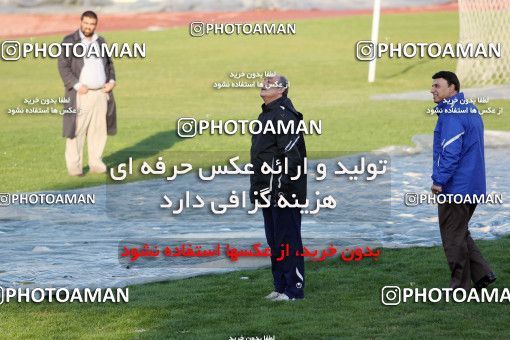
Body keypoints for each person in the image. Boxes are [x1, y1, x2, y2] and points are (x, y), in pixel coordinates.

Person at [430, 71, 496, 290]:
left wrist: (439, 181)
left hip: (456, 187)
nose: (433, 90)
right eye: (433, 86)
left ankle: (460, 287)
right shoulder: (469, 109)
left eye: (438, 86)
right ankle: (482, 274)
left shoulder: (451, 115)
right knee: (459, 231)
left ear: (452, 88)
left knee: (452, 236)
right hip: (473, 183)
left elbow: (450, 153)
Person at [250, 74, 307, 301]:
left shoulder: (285, 115)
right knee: (274, 240)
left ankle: (293, 290)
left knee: (288, 239)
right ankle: (280, 286)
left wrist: (283, 189)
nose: (264, 85)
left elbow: (291, 156)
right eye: (264, 81)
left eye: (270, 83)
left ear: (282, 90)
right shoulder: (266, 114)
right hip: (268, 190)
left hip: (284, 192)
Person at [58, 10, 117, 176]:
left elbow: (109, 65)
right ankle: (75, 169)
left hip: (100, 94)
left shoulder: (100, 41)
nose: (88, 27)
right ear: (81, 22)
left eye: (92, 24)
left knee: (98, 131)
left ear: (95, 25)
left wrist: (111, 81)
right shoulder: (70, 41)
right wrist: (76, 85)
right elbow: (63, 67)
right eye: (86, 23)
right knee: (77, 132)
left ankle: (96, 165)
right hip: (81, 95)